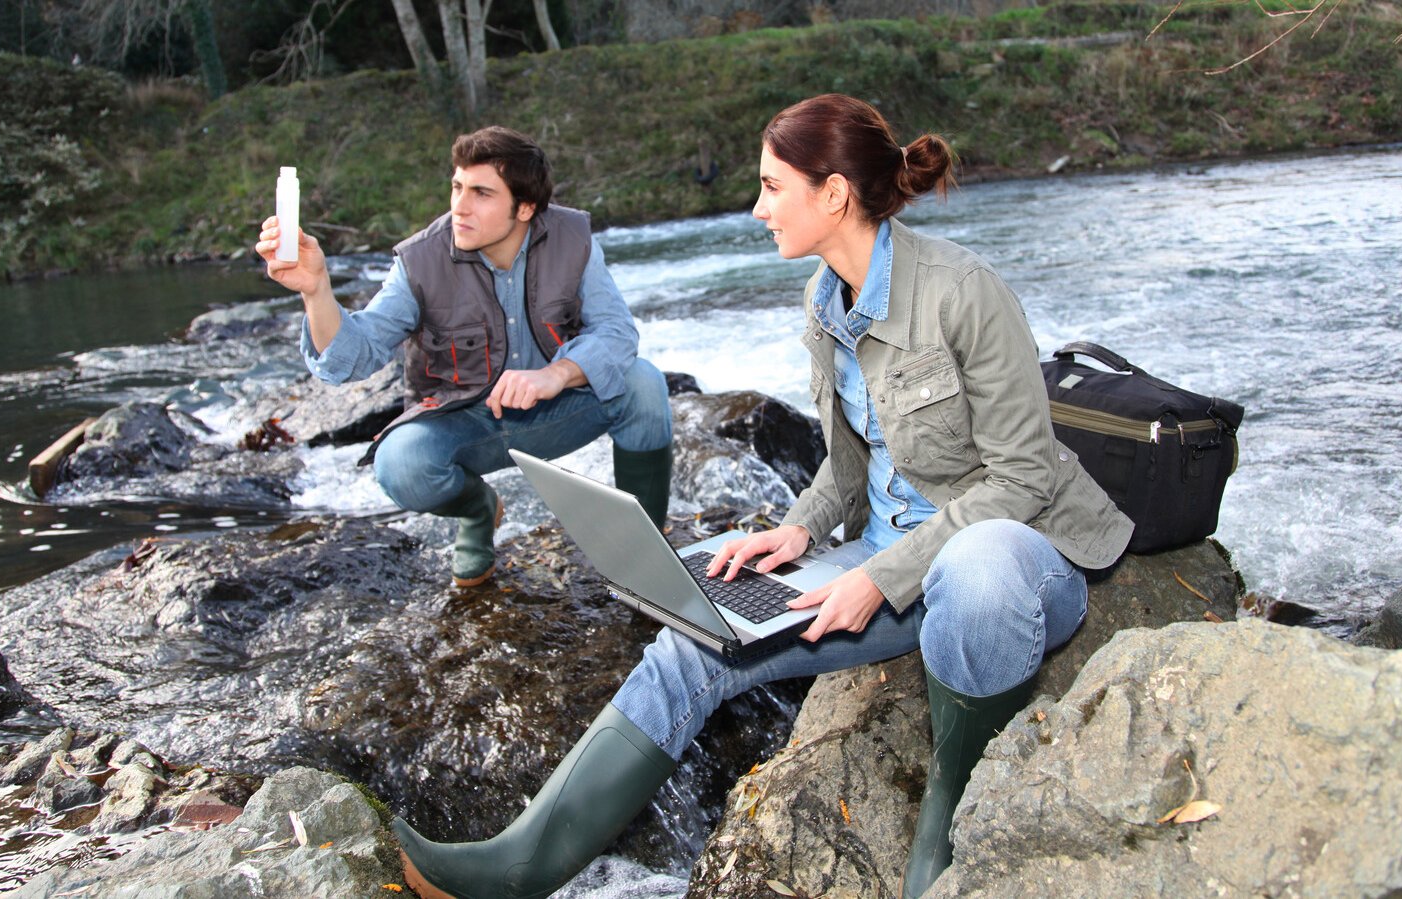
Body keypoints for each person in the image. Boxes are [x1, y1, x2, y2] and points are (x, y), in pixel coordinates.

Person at [389, 95, 1133, 899]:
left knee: (978, 566)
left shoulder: (963, 291)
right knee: (696, 635)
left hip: (1017, 562)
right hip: (884, 562)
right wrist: (796, 532)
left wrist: (878, 579)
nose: (757, 207)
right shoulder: (825, 299)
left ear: (835, 194)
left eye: (773, 187)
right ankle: (518, 863)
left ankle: (945, 834)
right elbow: (850, 466)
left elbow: (1022, 479)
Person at [256, 126, 675, 588]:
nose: (459, 205)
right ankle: (478, 512)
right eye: (457, 187)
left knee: (644, 385)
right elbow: (353, 357)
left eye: (481, 193)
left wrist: (557, 374)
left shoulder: (573, 240)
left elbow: (616, 333)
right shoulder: (419, 261)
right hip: (467, 426)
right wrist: (317, 291)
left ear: (525, 207)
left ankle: (648, 547)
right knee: (399, 463)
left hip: (558, 410)